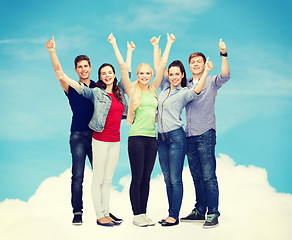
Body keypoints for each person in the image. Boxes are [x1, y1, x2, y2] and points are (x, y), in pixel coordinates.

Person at [45, 36, 131, 225]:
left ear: (90, 68)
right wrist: (53, 52)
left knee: (102, 175)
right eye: (80, 67)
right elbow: (59, 73)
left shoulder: (97, 87)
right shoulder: (71, 87)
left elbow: (117, 86)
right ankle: (78, 211)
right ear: (76, 70)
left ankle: (104, 211)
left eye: (86, 66)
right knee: (78, 175)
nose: (83, 69)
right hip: (77, 136)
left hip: (96, 137)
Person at [108, 33, 175, 227]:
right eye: (141, 73)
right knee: (137, 177)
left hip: (151, 139)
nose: (145, 76)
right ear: (137, 75)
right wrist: (117, 45)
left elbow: (162, 67)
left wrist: (166, 44)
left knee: (146, 178)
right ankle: (136, 215)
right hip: (136, 138)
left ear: (151, 75)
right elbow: (122, 68)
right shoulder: (131, 88)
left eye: (147, 73)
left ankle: (143, 213)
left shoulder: (154, 88)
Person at [155, 58, 213, 227]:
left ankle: (174, 215)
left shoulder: (184, 92)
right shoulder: (164, 88)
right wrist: (158, 47)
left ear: (182, 76)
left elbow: (196, 90)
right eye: (171, 74)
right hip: (161, 139)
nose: (173, 77)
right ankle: (170, 213)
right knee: (166, 179)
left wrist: (207, 72)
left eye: (177, 74)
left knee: (175, 179)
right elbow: (160, 66)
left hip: (176, 138)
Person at [180, 39, 230, 228]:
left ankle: (213, 212)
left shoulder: (211, 81)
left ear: (204, 64)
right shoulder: (186, 84)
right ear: (190, 66)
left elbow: (225, 75)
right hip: (189, 135)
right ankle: (200, 210)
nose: (195, 64)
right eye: (192, 62)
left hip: (206, 134)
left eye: (198, 62)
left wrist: (223, 54)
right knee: (196, 176)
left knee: (209, 176)